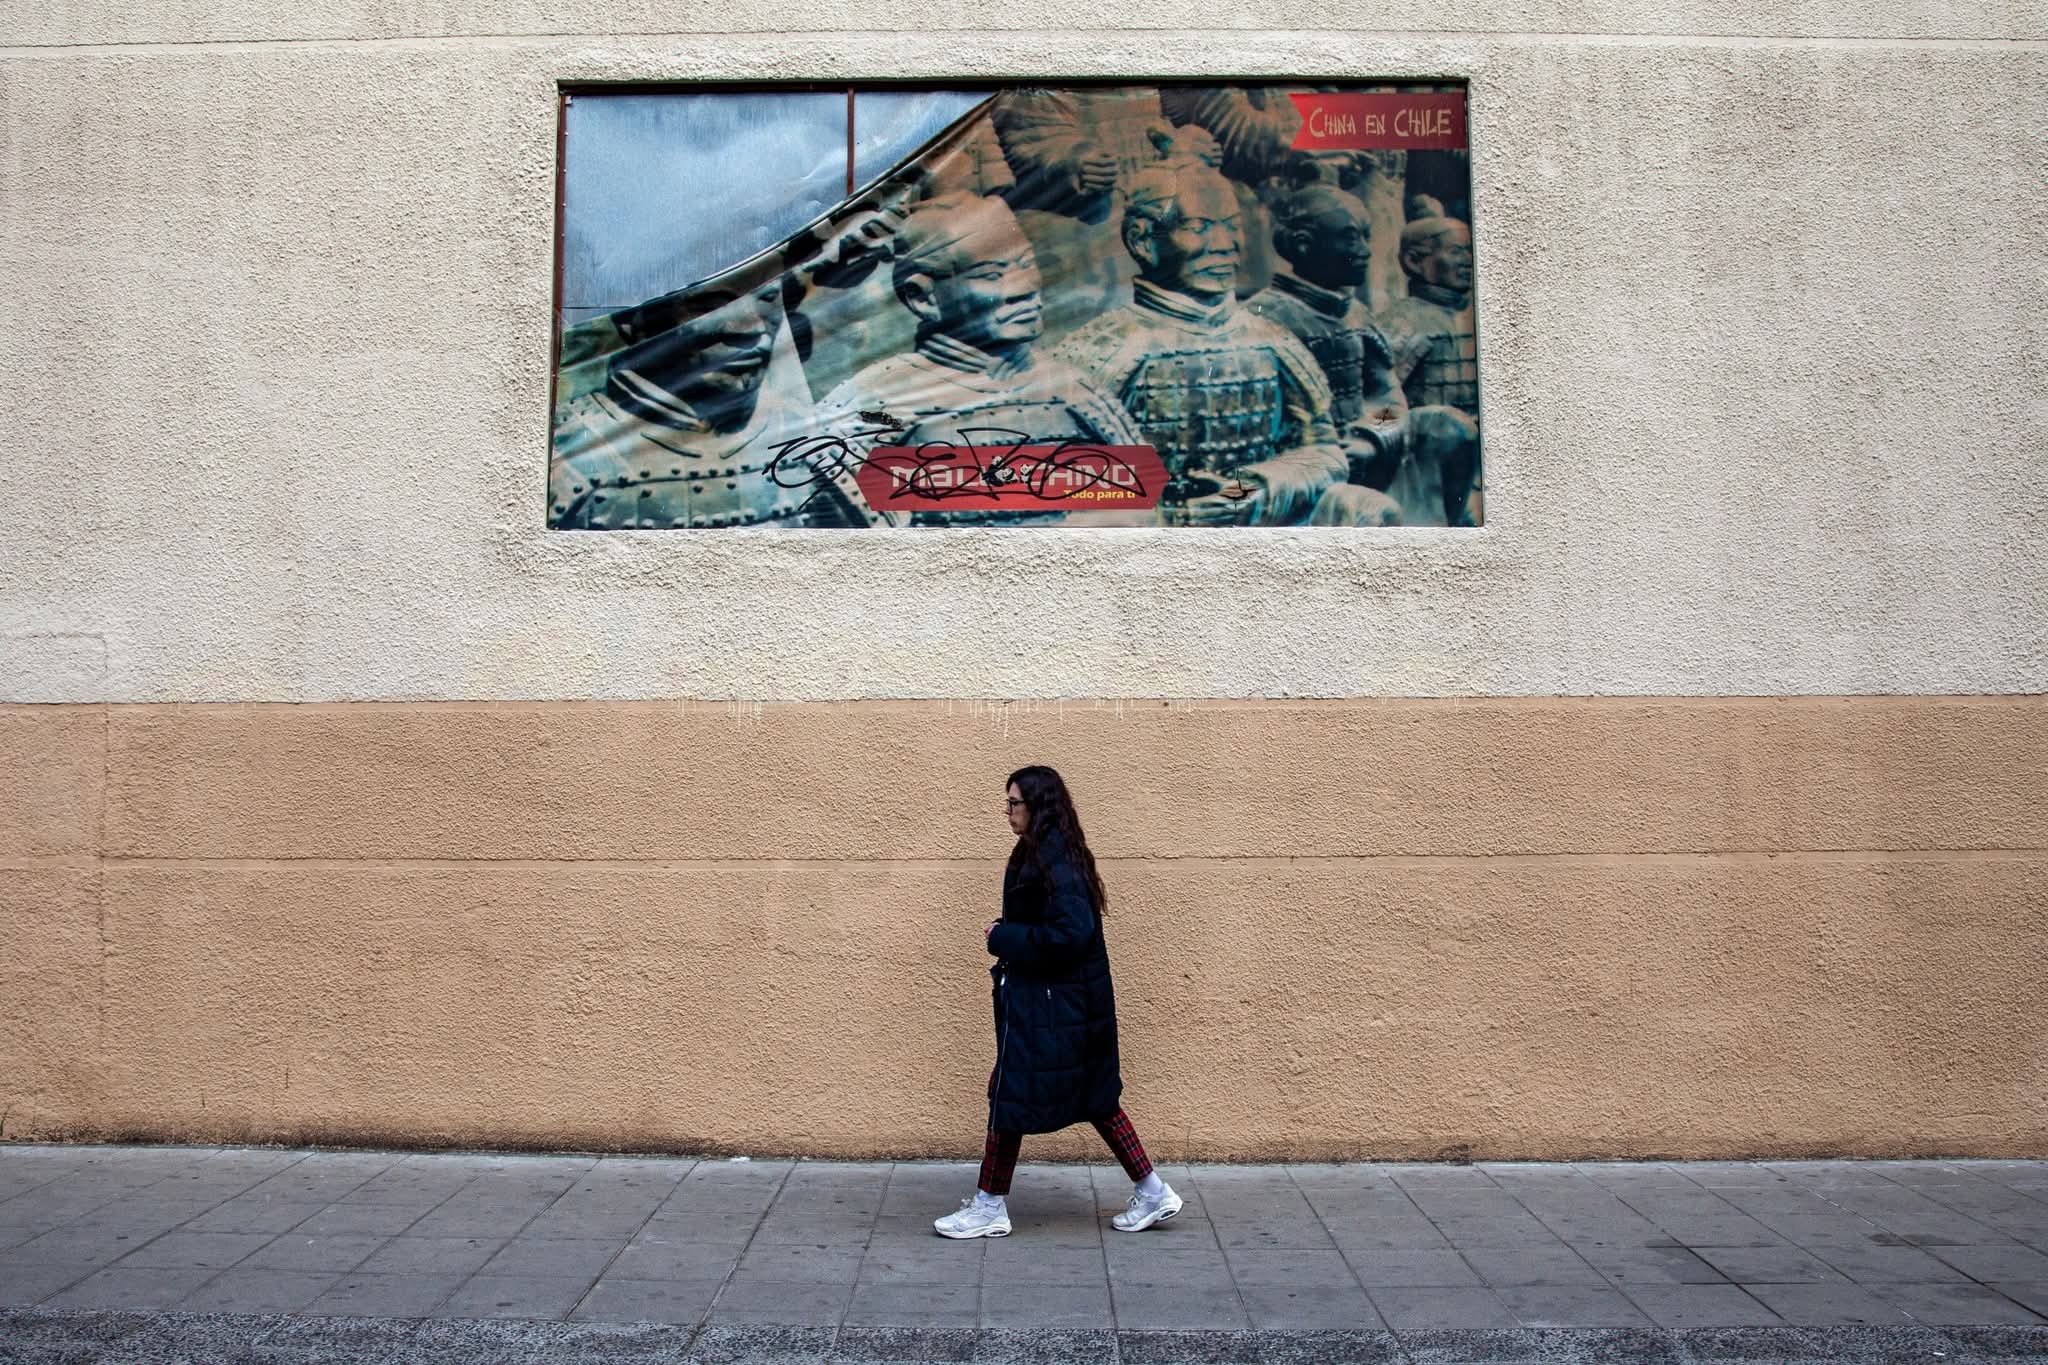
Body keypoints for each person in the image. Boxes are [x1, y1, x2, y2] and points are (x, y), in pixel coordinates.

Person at [1051, 160, 1393, 527]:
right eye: (1199, 228)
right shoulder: (1103, 348)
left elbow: (1324, 452)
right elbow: (1045, 471)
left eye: (1232, 227)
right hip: (1151, 541)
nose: (1224, 246)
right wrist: (1165, 515)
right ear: (1142, 239)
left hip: (1258, 525)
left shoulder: (1271, 339)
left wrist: (1249, 491)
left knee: (1366, 508)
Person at [934, 766, 1182, 1240]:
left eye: (1014, 804)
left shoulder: (1056, 860)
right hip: (1059, 1007)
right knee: (1089, 1098)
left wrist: (1004, 936)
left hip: (1055, 1009)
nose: (1007, 812)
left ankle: (989, 1206)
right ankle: (1152, 1191)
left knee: (1014, 1094)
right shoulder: (1045, 853)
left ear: (1038, 806)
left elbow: (1071, 934)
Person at [819, 193, 1144, 526]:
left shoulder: (1076, 392)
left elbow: (1140, 511)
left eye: (1026, 263)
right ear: (923, 297)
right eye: (991, 275)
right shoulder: (869, 407)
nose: (1025, 287)